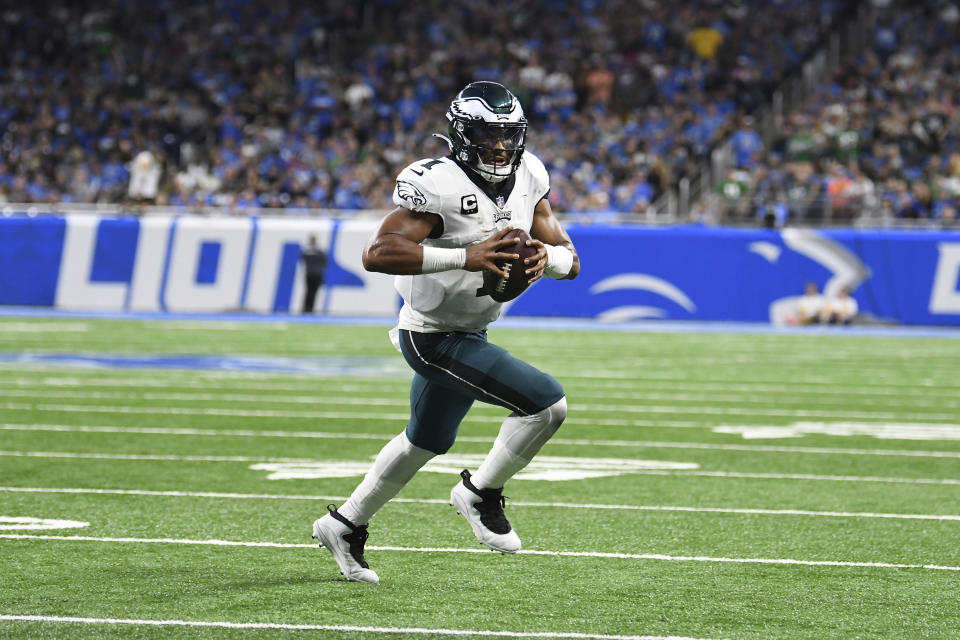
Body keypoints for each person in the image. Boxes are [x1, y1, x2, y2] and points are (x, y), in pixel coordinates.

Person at [311, 81, 580, 583]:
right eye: (486, 133)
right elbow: (377, 253)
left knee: (425, 440)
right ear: (460, 134)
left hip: (470, 331)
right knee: (546, 405)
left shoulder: (530, 174)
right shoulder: (436, 182)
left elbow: (570, 258)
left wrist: (550, 259)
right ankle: (480, 493)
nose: (500, 146)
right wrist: (467, 255)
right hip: (432, 335)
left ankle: (343, 523)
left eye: (508, 134)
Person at [300, 235, 327, 313]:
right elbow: (325, 261)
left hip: (309, 273)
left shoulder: (306, 251)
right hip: (317, 274)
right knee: (313, 292)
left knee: (308, 291)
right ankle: (310, 308)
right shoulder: (319, 251)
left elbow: (302, 260)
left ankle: (306, 308)